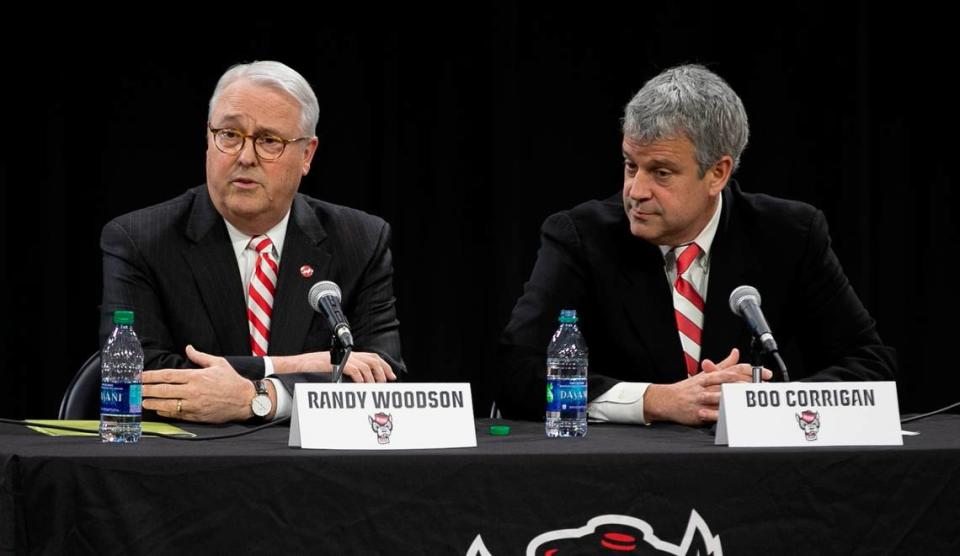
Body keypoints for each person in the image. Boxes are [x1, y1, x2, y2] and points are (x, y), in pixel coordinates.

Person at [497, 64, 896, 426]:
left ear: (717, 174)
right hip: (621, 476)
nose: (636, 191)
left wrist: (764, 401)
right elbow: (515, 371)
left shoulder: (789, 235)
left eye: (661, 172)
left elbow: (873, 365)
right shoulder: (581, 238)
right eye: (630, 165)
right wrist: (651, 400)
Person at [100, 61, 403, 424]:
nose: (245, 157)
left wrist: (261, 398)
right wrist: (296, 366)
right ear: (208, 139)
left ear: (307, 154)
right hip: (187, 466)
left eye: (269, 141)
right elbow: (137, 376)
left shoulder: (360, 240)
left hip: (314, 471)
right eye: (229, 135)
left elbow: (382, 378)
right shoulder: (141, 239)